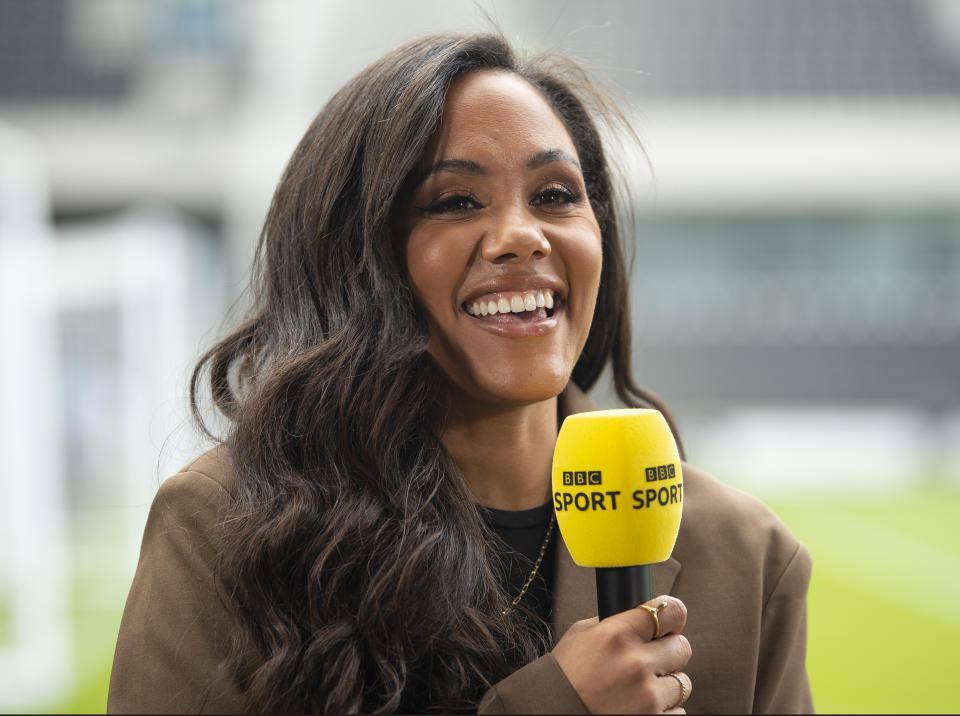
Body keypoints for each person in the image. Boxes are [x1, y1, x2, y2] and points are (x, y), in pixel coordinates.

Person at [108, 33, 813, 714]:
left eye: (558, 194)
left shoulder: (747, 557)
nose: (523, 236)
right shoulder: (222, 527)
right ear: (357, 258)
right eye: (454, 201)